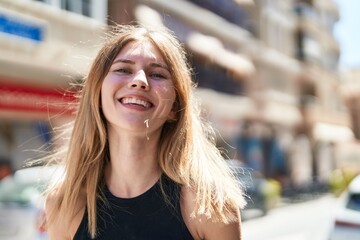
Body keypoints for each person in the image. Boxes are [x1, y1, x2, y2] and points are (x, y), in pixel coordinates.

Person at [42, 24, 246, 240]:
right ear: (97, 94)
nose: (139, 81)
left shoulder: (209, 204)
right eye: (123, 69)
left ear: (175, 108)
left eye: (157, 74)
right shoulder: (64, 204)